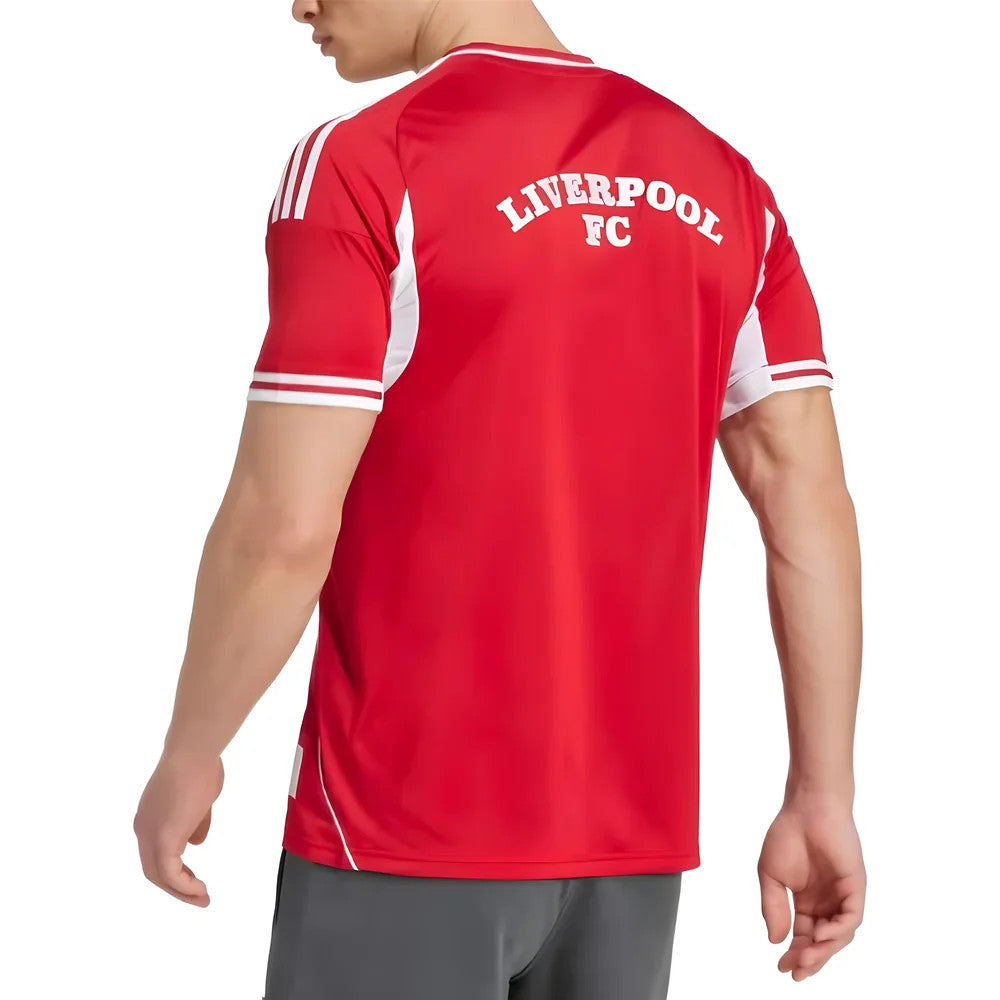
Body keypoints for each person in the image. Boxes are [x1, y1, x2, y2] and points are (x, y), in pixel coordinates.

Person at [133, 1, 866, 997]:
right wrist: (822, 790)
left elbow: (280, 528)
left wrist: (191, 749)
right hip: (631, 847)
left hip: (405, 825)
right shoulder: (725, 181)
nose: (298, 4)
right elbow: (808, 502)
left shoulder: (365, 163)